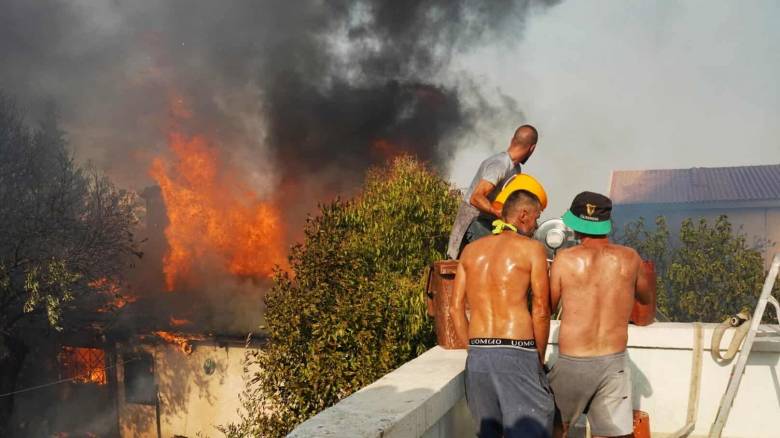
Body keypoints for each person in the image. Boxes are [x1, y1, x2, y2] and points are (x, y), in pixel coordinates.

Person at [548, 192, 656, 438]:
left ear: (576, 225)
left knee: (554, 431)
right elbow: (646, 300)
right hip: (613, 363)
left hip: (573, 361)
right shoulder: (630, 258)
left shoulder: (564, 260)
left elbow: (547, 308)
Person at [450, 190, 554, 438]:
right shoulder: (532, 250)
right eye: (537, 217)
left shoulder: (470, 251)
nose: (537, 224)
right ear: (523, 214)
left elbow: (454, 309)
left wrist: (473, 350)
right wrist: (537, 357)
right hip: (517, 350)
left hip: (478, 354)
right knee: (532, 427)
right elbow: (540, 309)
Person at [446, 125, 539, 259]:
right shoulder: (499, 164)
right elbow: (476, 198)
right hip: (473, 223)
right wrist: (498, 212)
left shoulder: (516, 169)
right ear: (532, 148)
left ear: (512, 139)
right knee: (503, 255)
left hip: (489, 223)